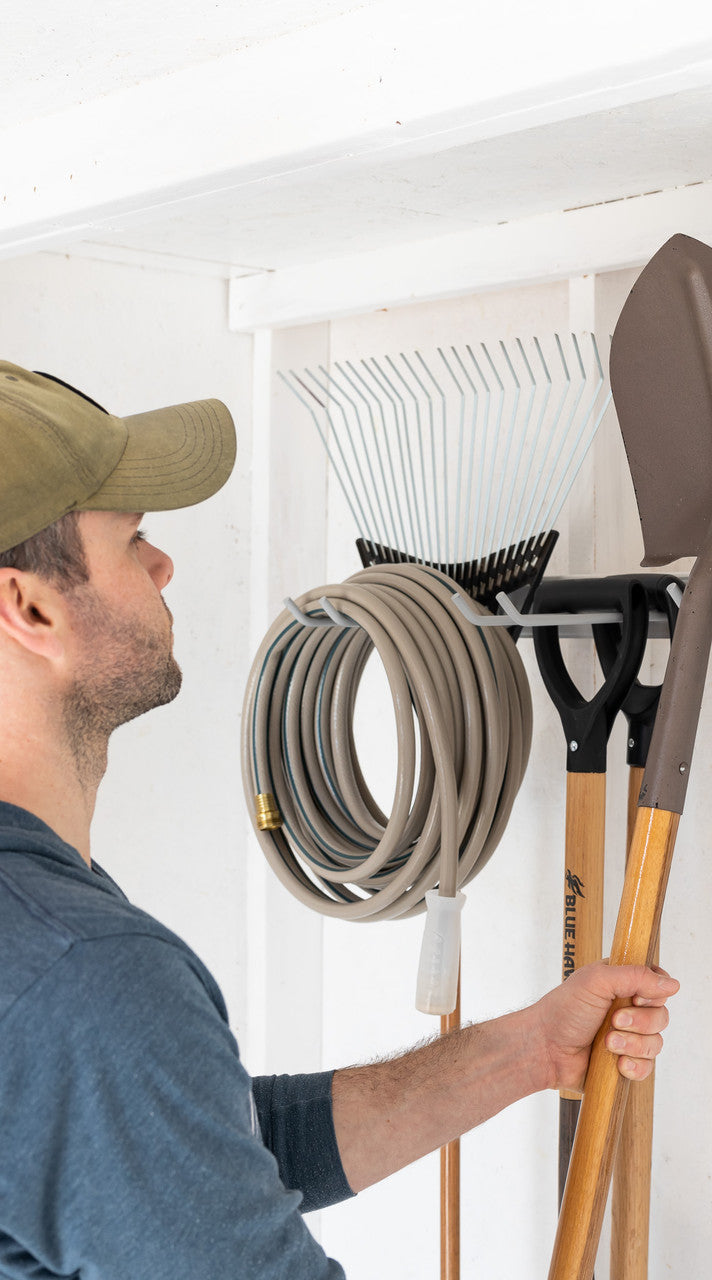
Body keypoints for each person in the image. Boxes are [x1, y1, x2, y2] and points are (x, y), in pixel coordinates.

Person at [0, 362, 677, 1279]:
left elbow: (188, 1156)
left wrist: (522, 1052)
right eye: (132, 538)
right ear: (28, 606)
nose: (163, 564)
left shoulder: (46, 956)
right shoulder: (80, 977)